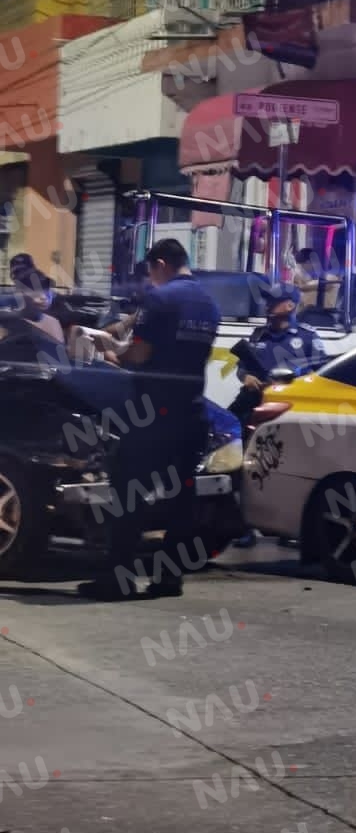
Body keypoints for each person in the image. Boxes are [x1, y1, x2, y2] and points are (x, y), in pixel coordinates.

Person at [79, 238, 219, 601]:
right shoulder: (209, 304)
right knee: (181, 499)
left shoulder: (161, 298)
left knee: (128, 493)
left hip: (153, 414)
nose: (150, 279)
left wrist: (110, 353)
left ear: (160, 264)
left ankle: (118, 579)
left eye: (151, 272)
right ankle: (170, 578)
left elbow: (139, 355)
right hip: (192, 411)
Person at [229, 281, 326, 426]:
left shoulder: (308, 337)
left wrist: (295, 382)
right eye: (267, 300)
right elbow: (242, 367)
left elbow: (323, 374)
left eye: (273, 301)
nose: (267, 305)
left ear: (290, 306)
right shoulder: (258, 335)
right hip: (257, 400)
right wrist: (246, 377)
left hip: (292, 404)